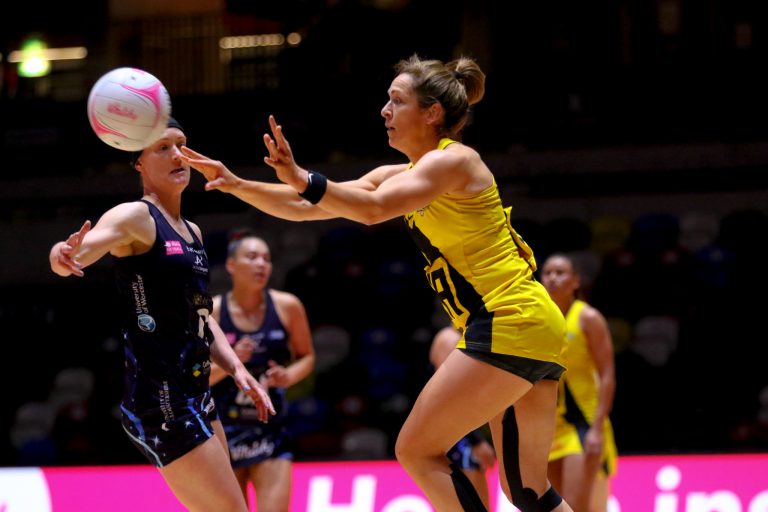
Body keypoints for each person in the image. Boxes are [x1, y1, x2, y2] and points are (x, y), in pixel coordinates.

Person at [179, 54, 573, 511]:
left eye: (396, 101)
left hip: (509, 320)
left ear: (432, 113)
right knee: (526, 488)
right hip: (534, 325)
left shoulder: (455, 161)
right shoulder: (403, 174)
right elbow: (309, 206)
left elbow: (370, 210)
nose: (384, 111)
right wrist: (237, 184)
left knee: (416, 450)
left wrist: (302, 177)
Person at [48, 117, 275, 512]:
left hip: (197, 392)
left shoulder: (193, 232)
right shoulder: (135, 217)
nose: (177, 155)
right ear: (138, 163)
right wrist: (62, 256)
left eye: (181, 144)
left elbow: (202, 316)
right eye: (162, 148)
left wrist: (237, 369)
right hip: (161, 402)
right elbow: (83, 250)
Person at [209, 231, 315, 512]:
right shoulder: (214, 313)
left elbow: (307, 357)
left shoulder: (287, 306)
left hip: (271, 430)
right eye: (252, 257)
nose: (261, 265)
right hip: (224, 432)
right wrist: (233, 364)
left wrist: (289, 375)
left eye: (267, 259)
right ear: (231, 265)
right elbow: (196, 378)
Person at [540, 253, 618, 512]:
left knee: (576, 506)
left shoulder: (588, 318)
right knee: (550, 508)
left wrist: (597, 427)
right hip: (550, 427)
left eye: (560, 273)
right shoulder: (539, 320)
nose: (552, 278)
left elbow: (607, 374)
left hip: (581, 425)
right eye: (547, 273)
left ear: (575, 281)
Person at [430, 326, 497, 510]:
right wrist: (475, 441)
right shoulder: (449, 339)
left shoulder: (471, 337)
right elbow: (449, 397)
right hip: (454, 435)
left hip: (461, 429)